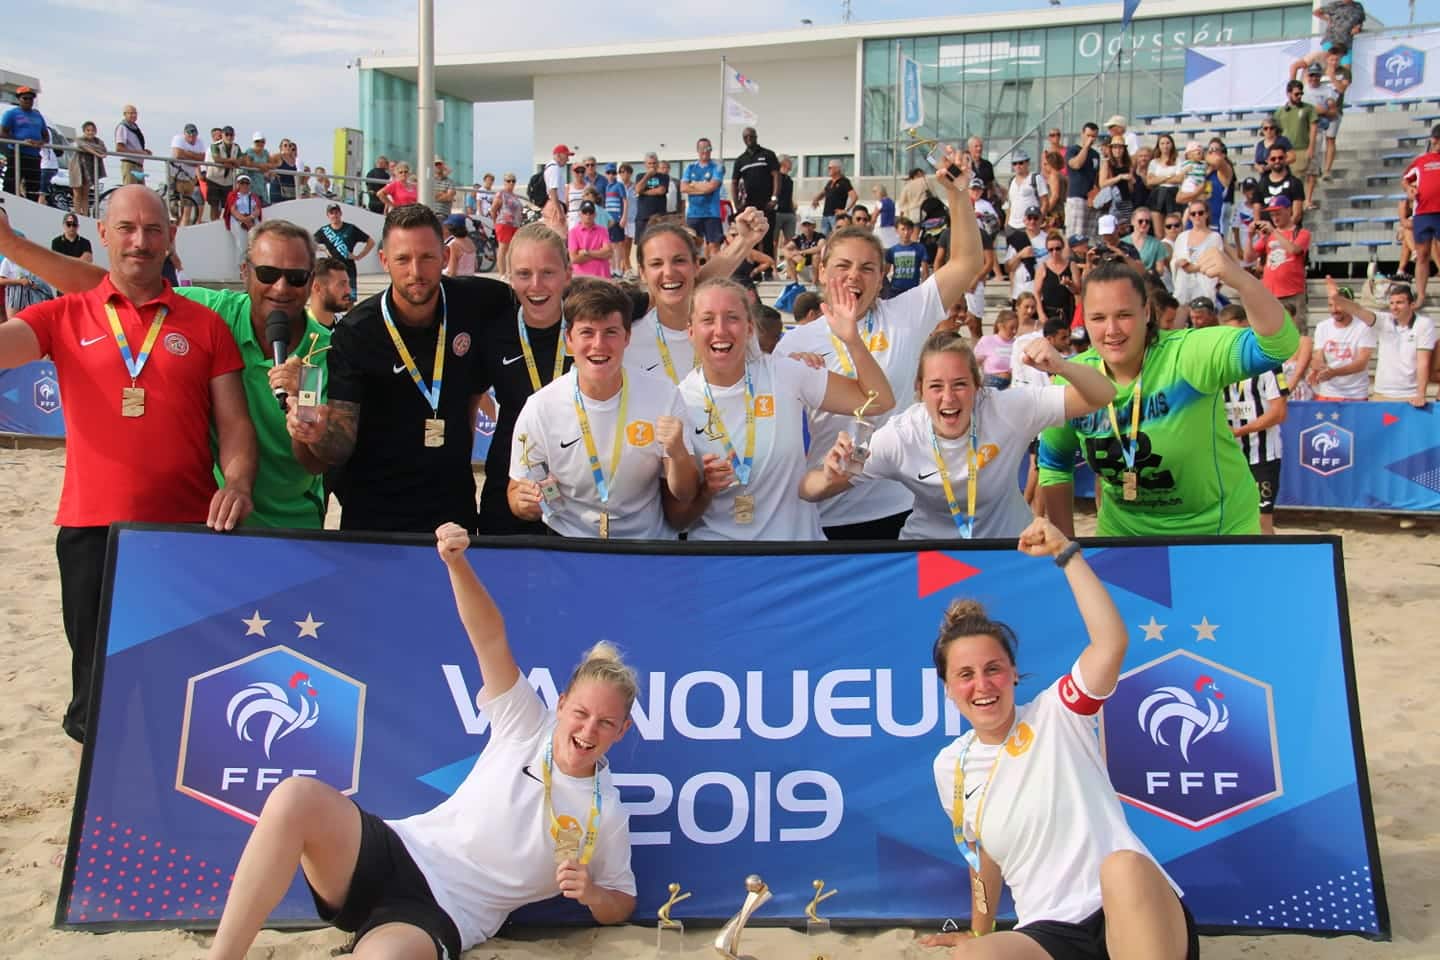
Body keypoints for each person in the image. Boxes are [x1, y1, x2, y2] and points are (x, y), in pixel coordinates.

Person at [206, 523, 638, 960]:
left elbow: (622, 902)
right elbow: (488, 639)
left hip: (447, 912)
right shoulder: (528, 723)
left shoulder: (608, 811)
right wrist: (456, 563)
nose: (587, 731)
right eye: (581, 714)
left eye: (605, 723)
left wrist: (592, 893)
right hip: (399, 850)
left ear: (621, 731)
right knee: (294, 797)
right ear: (561, 705)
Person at [0, 188, 256, 744]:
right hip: (93, 529)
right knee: (96, 691)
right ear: (102, 232)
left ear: (172, 236)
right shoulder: (62, 314)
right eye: (127, 229)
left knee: (182, 684)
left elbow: (235, 423)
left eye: (153, 229)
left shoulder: (204, 322)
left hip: (187, 530)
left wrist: (237, 479)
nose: (140, 242)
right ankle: (95, 811)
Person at [918, 516, 1199, 957]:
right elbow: (983, 861)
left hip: (1131, 912)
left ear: (1012, 674)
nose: (983, 685)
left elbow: (1110, 644)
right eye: (966, 675)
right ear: (949, 689)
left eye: (993, 669)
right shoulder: (949, 765)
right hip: (1049, 932)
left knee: (1123, 866)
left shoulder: (1057, 712)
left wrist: (1067, 555)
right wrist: (978, 931)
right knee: (973, 956)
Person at [775, 144, 984, 540]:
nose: (855, 276)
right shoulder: (795, 343)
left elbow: (967, 264)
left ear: (882, 275)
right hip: (826, 512)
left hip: (900, 506)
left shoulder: (906, 313)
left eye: (867, 267)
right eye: (843, 266)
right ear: (821, 272)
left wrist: (958, 195)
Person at [1039, 247, 1299, 537]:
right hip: (1125, 537)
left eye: (1124, 314)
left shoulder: (1188, 354)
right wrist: (1067, 547)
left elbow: (1278, 346)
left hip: (1218, 532)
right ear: (1083, 319)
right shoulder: (1072, 378)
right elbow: (1054, 464)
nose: (1111, 330)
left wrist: (1242, 281)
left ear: (1147, 311)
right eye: (1098, 318)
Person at [295, 204, 508, 532]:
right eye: (403, 259)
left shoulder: (480, 300)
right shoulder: (356, 331)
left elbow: (541, 302)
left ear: (445, 256)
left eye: (427, 257)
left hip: (453, 511)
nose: (416, 272)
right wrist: (316, 432)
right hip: (376, 515)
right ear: (383, 261)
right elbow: (339, 444)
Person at [804, 331, 1113, 539]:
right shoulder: (898, 436)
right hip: (931, 554)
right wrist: (831, 472)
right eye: (936, 386)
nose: (949, 398)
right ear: (920, 390)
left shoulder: (1008, 407)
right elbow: (811, 489)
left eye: (960, 384)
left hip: (1007, 548)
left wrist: (1061, 365)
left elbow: (1102, 394)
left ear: (978, 388)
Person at [665, 276, 893, 540]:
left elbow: (879, 401)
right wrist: (705, 488)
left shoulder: (786, 372)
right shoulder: (679, 401)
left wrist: (852, 340)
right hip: (721, 559)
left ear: (750, 328)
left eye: (732, 318)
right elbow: (677, 517)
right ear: (691, 331)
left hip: (794, 555)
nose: (720, 330)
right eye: (707, 319)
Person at [507, 281, 698, 538]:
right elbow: (516, 492)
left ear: (627, 337)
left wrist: (679, 454)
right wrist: (524, 502)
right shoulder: (541, 408)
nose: (599, 345)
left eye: (610, 332)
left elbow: (685, 493)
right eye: (587, 333)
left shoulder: (664, 396)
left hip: (647, 546)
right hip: (571, 546)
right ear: (569, 340)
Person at [626, 211, 769, 383]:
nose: (669, 272)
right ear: (642, 272)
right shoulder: (626, 339)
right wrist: (743, 242)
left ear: (696, 265)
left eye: (679, 261)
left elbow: (763, 380)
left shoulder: (730, 329)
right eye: (656, 264)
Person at [1220, 304, 1288, 535]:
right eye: (1228, 334)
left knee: (1262, 521)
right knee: (1228, 518)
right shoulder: (1218, 365)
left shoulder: (1268, 364)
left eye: (1239, 333)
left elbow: (1279, 412)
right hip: (1227, 455)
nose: (1234, 339)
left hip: (1262, 455)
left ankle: (1271, 568)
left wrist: (1239, 431)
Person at [1326, 280, 1434, 406]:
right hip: (1381, 394)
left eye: (1399, 302)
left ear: (1412, 305)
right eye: (1392, 303)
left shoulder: (1424, 324)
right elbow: (1358, 310)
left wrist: (1421, 394)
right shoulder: (1384, 320)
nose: (1394, 307)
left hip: (1410, 395)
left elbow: (1423, 362)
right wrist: (1337, 299)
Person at [1306, 283, 1376, 400]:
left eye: (1338, 305)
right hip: (1328, 392)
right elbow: (1318, 356)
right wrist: (1316, 367)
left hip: (1355, 393)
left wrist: (1334, 372)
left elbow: (1361, 363)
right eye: (1330, 305)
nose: (1334, 310)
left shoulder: (1364, 326)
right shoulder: (1322, 327)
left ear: (1350, 305)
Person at [1251, 195, 1310, 333]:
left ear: (1289, 210)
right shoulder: (1268, 235)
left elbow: (1293, 249)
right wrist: (1249, 237)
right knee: (1271, 332)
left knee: (1297, 330)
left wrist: (1273, 232)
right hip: (1270, 292)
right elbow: (1249, 256)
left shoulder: (1301, 232)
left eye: (1278, 213)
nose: (1275, 217)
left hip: (1293, 292)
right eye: (1272, 214)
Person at [1402, 124, 1440, 305]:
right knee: (1422, 254)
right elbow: (1406, 179)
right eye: (1438, 139)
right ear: (1433, 140)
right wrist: (1409, 189)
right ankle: (1421, 295)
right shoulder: (1421, 161)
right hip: (1423, 213)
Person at [1169, 201, 1221, 326]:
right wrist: (1179, 263)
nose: (1197, 216)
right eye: (1193, 213)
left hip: (1204, 285)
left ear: (1206, 214)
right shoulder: (1182, 236)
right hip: (1183, 285)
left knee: (1202, 321)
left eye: (1200, 213)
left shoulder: (1215, 237)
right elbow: (1174, 258)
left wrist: (1194, 268)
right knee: (1178, 321)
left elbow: (1216, 261)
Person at [1272, 81, 1319, 210]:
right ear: (1288, 94)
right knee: (1293, 178)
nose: (1299, 96)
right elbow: (1276, 131)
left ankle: (1308, 201)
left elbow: (1314, 128)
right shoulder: (1280, 112)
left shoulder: (1308, 108)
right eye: (1296, 94)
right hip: (1289, 150)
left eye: (1301, 93)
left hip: (1305, 146)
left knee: (1311, 174)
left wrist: (1311, 147)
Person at [314, 203, 374, 300]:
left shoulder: (351, 228)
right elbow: (310, 242)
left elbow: (371, 242)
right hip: (331, 269)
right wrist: (324, 249)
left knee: (349, 299)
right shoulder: (324, 231)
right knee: (333, 299)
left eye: (336, 212)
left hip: (348, 268)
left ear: (341, 213)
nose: (334, 215)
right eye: (332, 213)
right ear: (328, 215)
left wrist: (359, 256)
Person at [0, 86, 48, 199]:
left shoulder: (38, 115)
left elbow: (46, 136)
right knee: (11, 185)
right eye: (25, 98)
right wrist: (21, 141)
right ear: (19, 99)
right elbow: (2, 133)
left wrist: (40, 142)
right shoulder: (11, 114)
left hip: (34, 156)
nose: (28, 101)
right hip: (17, 153)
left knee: (34, 188)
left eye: (31, 99)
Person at [682, 138, 726, 258]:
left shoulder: (716, 167)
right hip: (693, 214)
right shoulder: (690, 167)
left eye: (708, 148)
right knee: (693, 246)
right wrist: (703, 187)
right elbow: (683, 188)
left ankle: (715, 274)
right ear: (697, 150)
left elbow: (712, 186)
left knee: (714, 247)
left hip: (712, 213)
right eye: (702, 148)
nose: (705, 151)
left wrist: (694, 185)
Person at [1065, 123, 1101, 241]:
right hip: (1077, 197)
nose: (1091, 139)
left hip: (1091, 200)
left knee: (1089, 236)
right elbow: (1076, 164)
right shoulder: (1073, 150)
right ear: (1082, 134)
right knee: (1076, 235)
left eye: (1094, 136)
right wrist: (1085, 147)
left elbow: (1096, 176)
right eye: (1088, 135)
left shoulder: (1095, 155)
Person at [1034, 230, 1078, 325]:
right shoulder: (1043, 267)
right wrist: (1041, 314)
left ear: (1062, 248)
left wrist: (1069, 284)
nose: (1054, 252)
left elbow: (1077, 290)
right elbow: (1037, 293)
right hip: (1049, 313)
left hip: (1068, 312)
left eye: (1058, 249)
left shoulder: (1071, 265)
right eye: (1051, 249)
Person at [1144, 134, 1183, 235]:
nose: (1165, 146)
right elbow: (1150, 181)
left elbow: (1179, 179)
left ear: (1172, 145)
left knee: (1174, 230)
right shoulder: (1153, 162)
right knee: (1159, 233)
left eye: (1167, 143)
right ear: (1158, 146)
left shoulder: (1178, 161)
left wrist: (1159, 179)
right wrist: (1169, 177)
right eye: (1162, 143)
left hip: (1173, 194)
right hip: (1158, 195)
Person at [223, 175, 264, 269]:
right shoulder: (233, 195)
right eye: (242, 183)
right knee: (241, 246)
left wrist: (251, 218)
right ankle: (242, 270)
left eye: (247, 183)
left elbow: (257, 209)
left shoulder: (253, 196)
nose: (244, 185)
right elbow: (233, 210)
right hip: (238, 221)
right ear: (238, 184)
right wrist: (244, 220)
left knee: (255, 244)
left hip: (252, 220)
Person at [67, 121, 107, 216]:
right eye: (88, 130)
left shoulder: (98, 141)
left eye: (92, 130)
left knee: (85, 194)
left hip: (89, 169)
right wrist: (96, 153)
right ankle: (76, 214)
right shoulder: (79, 139)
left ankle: (85, 214)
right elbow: (83, 145)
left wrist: (92, 149)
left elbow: (103, 149)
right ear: (84, 131)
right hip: (78, 168)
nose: (90, 132)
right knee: (77, 194)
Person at [169, 123, 206, 225]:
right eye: (189, 135)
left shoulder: (200, 141)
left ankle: (182, 230)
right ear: (184, 134)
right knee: (174, 207)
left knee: (187, 208)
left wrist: (185, 154)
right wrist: (194, 158)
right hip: (176, 177)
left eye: (194, 135)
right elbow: (177, 154)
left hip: (189, 178)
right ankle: (175, 226)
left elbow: (202, 158)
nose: (192, 138)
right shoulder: (178, 138)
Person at [205, 126, 243, 224]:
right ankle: (214, 224)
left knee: (227, 205)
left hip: (228, 181)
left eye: (231, 135)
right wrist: (231, 161)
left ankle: (223, 223)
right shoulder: (215, 145)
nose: (229, 137)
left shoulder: (236, 147)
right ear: (222, 135)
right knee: (214, 204)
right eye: (227, 134)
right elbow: (217, 159)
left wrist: (227, 162)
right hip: (214, 178)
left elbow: (239, 162)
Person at [491, 173, 525, 278]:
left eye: (513, 181)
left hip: (515, 225)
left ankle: (510, 271)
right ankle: (502, 273)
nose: (511, 183)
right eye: (508, 181)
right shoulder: (501, 194)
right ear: (504, 182)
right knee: (503, 248)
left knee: (512, 249)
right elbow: (493, 209)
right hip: (504, 223)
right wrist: (495, 222)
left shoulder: (514, 196)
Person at [974, 311, 1018, 390]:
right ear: (1000, 326)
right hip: (992, 383)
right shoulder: (987, 340)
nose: (1014, 331)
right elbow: (975, 363)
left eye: (1016, 328)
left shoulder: (1017, 343)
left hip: (1012, 383)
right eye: (1011, 328)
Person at [1005, 151, 1047, 232]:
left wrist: (1038, 221)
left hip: (1029, 226)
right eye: (1015, 163)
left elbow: (1045, 202)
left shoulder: (1036, 178)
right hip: (1012, 226)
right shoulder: (1011, 181)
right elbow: (1010, 205)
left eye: (1021, 163)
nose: (1018, 166)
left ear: (1027, 163)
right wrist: (1006, 224)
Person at [886, 218, 930, 297]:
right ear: (897, 231)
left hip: (913, 290)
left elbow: (925, 272)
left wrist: (923, 290)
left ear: (912, 230)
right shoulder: (892, 250)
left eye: (908, 229)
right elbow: (885, 272)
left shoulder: (920, 248)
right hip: (895, 290)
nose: (906, 233)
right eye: (903, 229)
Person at [568, 201, 612, 279]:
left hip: (602, 277)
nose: (588, 215)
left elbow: (608, 253)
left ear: (595, 214)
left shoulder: (603, 230)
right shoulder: (573, 232)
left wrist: (586, 252)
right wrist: (600, 254)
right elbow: (574, 259)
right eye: (585, 212)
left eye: (590, 212)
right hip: (582, 279)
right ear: (580, 214)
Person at [814, 160, 857, 236]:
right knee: (824, 238)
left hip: (835, 216)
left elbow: (854, 197)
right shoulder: (830, 182)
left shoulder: (844, 182)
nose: (828, 170)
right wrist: (816, 199)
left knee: (837, 237)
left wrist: (846, 210)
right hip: (826, 215)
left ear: (837, 169)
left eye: (830, 168)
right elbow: (823, 193)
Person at [113, 104, 151, 188]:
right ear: (125, 114)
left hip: (139, 165)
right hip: (130, 164)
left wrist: (144, 151)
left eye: (135, 113)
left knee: (141, 193)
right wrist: (139, 152)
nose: (133, 115)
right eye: (130, 113)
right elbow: (119, 148)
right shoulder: (122, 127)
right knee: (131, 191)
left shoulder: (135, 128)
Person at [308, 258, 354, 328]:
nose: (349, 290)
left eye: (348, 284)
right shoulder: (298, 333)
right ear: (317, 288)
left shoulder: (349, 328)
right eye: (341, 284)